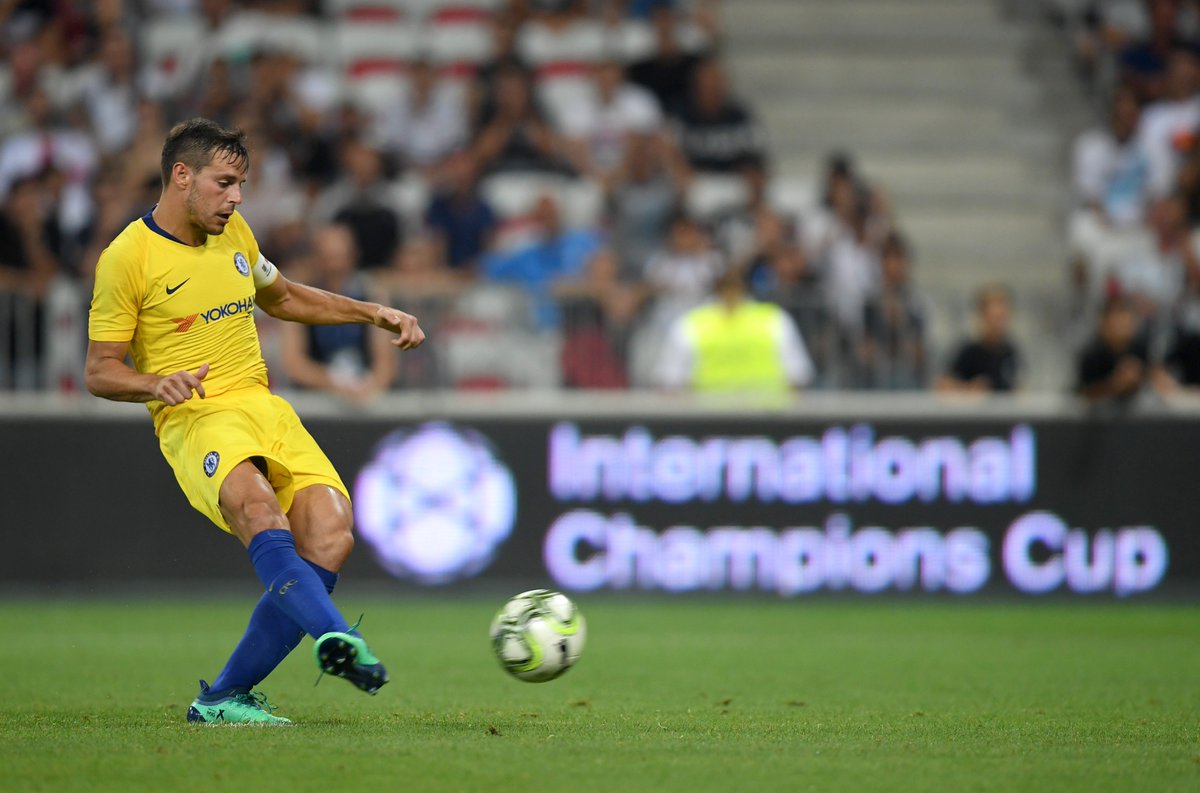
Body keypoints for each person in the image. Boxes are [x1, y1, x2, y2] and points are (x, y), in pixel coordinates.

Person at [84, 119, 425, 725]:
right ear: (181, 175)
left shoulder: (233, 233)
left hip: (264, 406)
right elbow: (100, 370)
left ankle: (221, 699)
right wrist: (152, 383)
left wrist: (373, 312)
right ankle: (336, 637)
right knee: (259, 510)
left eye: (241, 184)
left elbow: (286, 297)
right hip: (195, 413)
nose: (236, 197)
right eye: (225, 183)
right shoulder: (127, 257)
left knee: (331, 532)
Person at [656, 268, 813, 393]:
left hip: (765, 421)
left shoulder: (775, 320)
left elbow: (797, 379)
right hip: (710, 424)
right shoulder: (774, 320)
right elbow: (671, 385)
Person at [938, 284, 1022, 393]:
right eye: (993, 318)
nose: (997, 324)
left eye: (1001, 318)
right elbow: (943, 384)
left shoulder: (1010, 351)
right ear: (983, 316)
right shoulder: (969, 352)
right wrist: (967, 388)